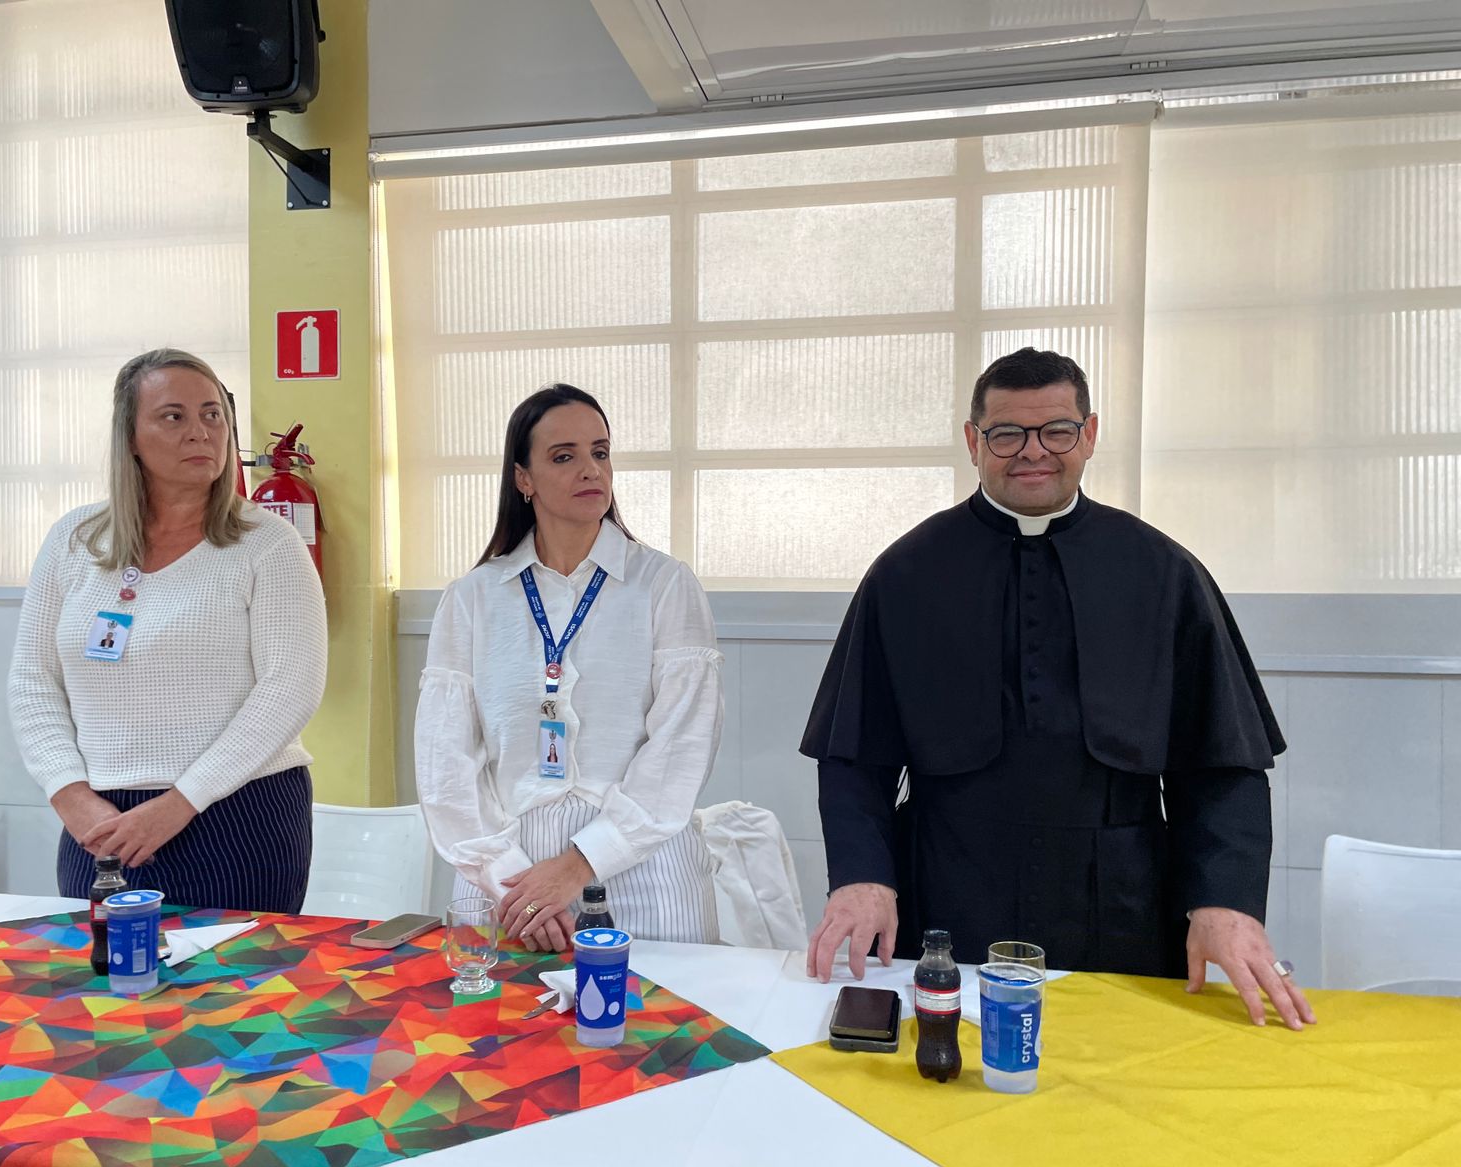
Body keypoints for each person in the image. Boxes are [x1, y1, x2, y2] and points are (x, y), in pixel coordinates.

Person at [801, 348, 1315, 1031]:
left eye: (1057, 431)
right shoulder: (907, 573)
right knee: (946, 1077)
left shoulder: (1162, 572)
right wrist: (864, 877)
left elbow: (1222, 761)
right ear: (973, 441)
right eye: (1007, 434)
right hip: (947, 893)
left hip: (1123, 905)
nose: (1033, 452)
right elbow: (853, 755)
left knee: (1121, 1073)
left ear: (1090, 435)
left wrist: (1224, 900)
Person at [8, 348, 328, 913]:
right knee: (101, 970)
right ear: (130, 437)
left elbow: (289, 690)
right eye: (173, 416)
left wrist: (180, 802)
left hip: (236, 816)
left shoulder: (268, 543)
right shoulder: (74, 540)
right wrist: (70, 795)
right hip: (101, 823)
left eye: (212, 414)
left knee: (231, 974)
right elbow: (33, 682)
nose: (200, 432)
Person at [416, 383, 723, 950]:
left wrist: (580, 865)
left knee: (658, 1009)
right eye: (564, 456)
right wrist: (509, 878)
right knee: (501, 1009)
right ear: (523, 479)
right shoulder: (473, 597)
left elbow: (682, 745)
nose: (590, 470)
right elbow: (445, 760)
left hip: (644, 862)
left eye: (600, 452)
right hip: (507, 868)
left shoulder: (663, 584)